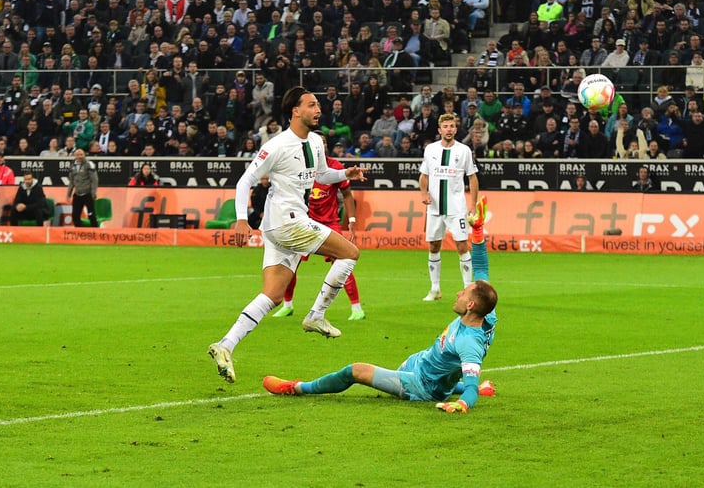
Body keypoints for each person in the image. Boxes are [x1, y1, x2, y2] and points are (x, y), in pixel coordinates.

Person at [263, 196, 497, 414]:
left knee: (355, 370)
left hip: (421, 385)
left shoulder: (469, 344)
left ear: (471, 305)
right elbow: (482, 268)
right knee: (434, 371)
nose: (458, 292)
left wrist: (463, 404)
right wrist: (476, 231)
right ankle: (455, 386)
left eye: (463, 293)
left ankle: (296, 387)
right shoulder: (487, 312)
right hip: (420, 364)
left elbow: (470, 386)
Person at [208, 87, 368, 384]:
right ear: (295, 110)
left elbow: (321, 176)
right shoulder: (277, 145)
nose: (318, 109)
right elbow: (246, 181)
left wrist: (346, 174)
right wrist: (241, 220)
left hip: (280, 227)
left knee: (272, 295)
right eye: (311, 104)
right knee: (350, 253)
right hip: (288, 222)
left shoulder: (316, 143)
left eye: (318, 104)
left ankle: (225, 345)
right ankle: (316, 315)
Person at [274, 141, 365, 321]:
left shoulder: (334, 167)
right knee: (290, 263)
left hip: (330, 223)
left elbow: (347, 194)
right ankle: (287, 305)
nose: (320, 146)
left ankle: (356, 308)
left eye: (323, 143)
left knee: (343, 261)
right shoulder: (300, 165)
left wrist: (352, 220)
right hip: (305, 222)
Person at [419, 113, 479, 302]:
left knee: (462, 246)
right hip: (435, 208)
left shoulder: (464, 151)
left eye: (452, 126)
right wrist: (424, 193)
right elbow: (423, 175)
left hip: (456, 208)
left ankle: (468, 288)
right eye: (445, 126)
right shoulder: (430, 150)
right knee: (434, 246)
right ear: (439, 130)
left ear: (456, 129)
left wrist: (473, 204)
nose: (449, 129)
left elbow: (473, 177)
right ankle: (435, 288)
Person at [66, 149, 98, 228]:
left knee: (91, 215)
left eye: (81, 155)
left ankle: (96, 233)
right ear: (75, 156)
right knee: (75, 216)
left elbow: (94, 180)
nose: (79, 157)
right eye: (78, 155)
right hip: (77, 194)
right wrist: (68, 194)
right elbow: (71, 181)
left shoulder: (89, 164)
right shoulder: (72, 165)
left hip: (88, 194)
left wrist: (93, 193)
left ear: (84, 155)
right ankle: (80, 234)